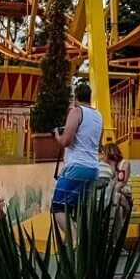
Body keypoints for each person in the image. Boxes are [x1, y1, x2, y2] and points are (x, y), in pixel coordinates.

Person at [49, 81, 104, 239]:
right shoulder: (99, 116)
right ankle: (82, 246)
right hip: (93, 168)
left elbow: (66, 141)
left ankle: (75, 241)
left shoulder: (76, 112)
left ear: (76, 97)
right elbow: (99, 145)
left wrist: (57, 135)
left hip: (76, 167)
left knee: (58, 207)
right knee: (79, 209)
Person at [101, 143, 132, 224]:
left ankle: (117, 233)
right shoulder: (106, 166)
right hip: (113, 199)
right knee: (118, 208)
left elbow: (122, 183)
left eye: (103, 153)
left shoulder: (125, 163)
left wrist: (109, 194)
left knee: (116, 198)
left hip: (124, 196)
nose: (102, 156)